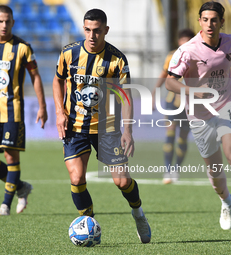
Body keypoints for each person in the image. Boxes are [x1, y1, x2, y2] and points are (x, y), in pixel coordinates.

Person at [53, 9, 151, 243]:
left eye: (97, 31)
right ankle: (87, 224)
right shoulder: (69, 54)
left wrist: (127, 130)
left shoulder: (117, 60)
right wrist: (59, 112)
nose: (92, 35)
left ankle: (138, 212)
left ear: (106, 30)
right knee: (77, 179)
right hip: (76, 127)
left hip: (107, 129)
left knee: (123, 182)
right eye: (87, 30)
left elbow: (126, 97)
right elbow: (57, 80)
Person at [166, 1, 231, 230]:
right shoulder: (188, 50)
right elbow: (170, 82)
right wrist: (192, 91)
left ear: (222, 22)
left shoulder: (230, 42)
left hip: (226, 103)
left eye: (214, 20)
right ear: (199, 21)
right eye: (205, 19)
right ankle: (226, 201)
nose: (210, 24)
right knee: (215, 170)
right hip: (199, 114)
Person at [0, 5, 47, 216]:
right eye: (0, 21)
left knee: (12, 157)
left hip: (13, 112)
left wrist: (42, 106)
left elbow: (35, 77)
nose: (4, 25)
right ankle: (21, 187)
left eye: (8, 21)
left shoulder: (22, 47)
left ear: (13, 22)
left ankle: (5, 205)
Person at [152, 29, 195, 184]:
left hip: (190, 103)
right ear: (178, 42)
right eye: (182, 40)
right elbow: (164, 75)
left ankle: (176, 168)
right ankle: (167, 170)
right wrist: (154, 94)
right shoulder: (172, 56)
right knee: (169, 135)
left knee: (183, 138)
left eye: (188, 40)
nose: (184, 43)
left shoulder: (198, 56)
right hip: (172, 101)